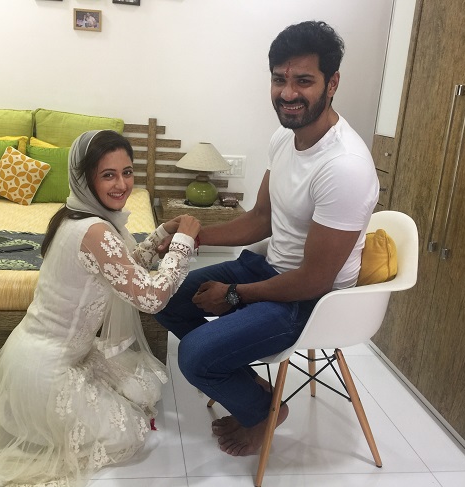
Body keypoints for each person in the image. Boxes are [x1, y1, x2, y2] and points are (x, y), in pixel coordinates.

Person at [0, 130, 201, 486]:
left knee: (143, 388)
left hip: (38, 357)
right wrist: (183, 243)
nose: (121, 185)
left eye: (127, 172)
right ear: (85, 178)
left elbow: (122, 269)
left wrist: (161, 234)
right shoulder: (95, 231)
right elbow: (152, 297)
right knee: (127, 432)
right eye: (108, 175)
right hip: (46, 374)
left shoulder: (74, 217)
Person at [155, 20, 379, 457]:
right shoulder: (284, 137)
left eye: (304, 81)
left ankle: (263, 412)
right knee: (161, 295)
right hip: (269, 269)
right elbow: (261, 218)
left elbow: (314, 279)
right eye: (279, 79)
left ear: (332, 83)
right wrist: (192, 236)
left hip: (312, 301)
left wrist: (234, 295)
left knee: (194, 356)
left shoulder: (345, 167)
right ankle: (249, 386)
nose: (288, 93)